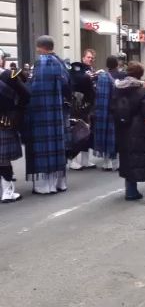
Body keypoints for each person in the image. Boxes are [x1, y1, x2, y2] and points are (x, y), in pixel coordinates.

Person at [25, 36, 71, 194]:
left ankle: (45, 187)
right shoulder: (61, 62)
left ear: (40, 47)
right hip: (57, 111)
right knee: (57, 147)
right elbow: (67, 86)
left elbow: (33, 88)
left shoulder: (41, 62)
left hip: (41, 113)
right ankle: (58, 183)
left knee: (44, 147)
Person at [112, 61, 145, 200]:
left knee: (126, 155)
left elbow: (112, 106)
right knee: (136, 155)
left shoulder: (118, 88)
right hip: (137, 125)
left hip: (122, 125)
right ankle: (132, 190)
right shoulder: (142, 90)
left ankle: (129, 187)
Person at [0, 49, 30, 202]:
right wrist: (17, 112)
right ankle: (7, 192)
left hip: (5, 120)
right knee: (3, 159)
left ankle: (6, 190)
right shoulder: (8, 75)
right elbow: (26, 94)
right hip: (5, 120)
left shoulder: (9, 75)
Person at [68, 61, 96, 170]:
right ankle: (84, 160)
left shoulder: (67, 76)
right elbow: (92, 94)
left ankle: (72, 161)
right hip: (84, 108)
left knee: (73, 134)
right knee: (86, 133)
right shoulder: (86, 77)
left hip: (71, 108)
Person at [102, 55, 126, 171]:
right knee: (118, 135)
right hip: (118, 109)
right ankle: (116, 162)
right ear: (116, 64)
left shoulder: (102, 76)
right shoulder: (122, 75)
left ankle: (107, 162)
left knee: (106, 135)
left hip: (105, 109)